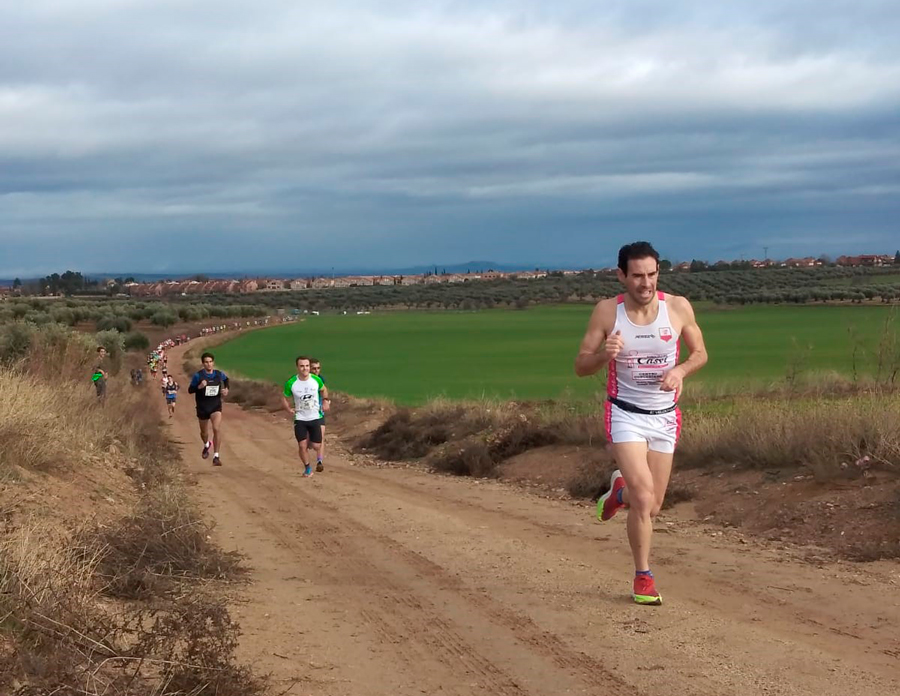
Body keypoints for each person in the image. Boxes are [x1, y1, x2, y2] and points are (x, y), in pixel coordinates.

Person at [575, 241, 708, 606]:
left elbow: (701, 353)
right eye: (637, 276)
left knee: (651, 506)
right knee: (645, 497)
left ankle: (619, 493)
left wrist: (680, 370)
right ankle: (643, 576)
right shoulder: (607, 313)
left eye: (651, 274)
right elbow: (581, 365)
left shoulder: (678, 307)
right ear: (621, 276)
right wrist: (605, 355)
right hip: (625, 414)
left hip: (665, 417)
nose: (645, 283)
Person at [282, 356, 328, 477]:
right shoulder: (291, 383)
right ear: (297, 367)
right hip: (300, 419)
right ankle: (307, 468)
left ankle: (308, 443)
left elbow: (324, 390)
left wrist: (325, 401)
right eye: (302, 366)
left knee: (317, 445)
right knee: (302, 446)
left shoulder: (316, 380)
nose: (305, 368)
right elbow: (284, 397)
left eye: (307, 366)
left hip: (314, 418)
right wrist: (288, 409)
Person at [187, 352, 229, 466]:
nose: (209, 364)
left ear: (213, 363)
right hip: (202, 407)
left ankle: (216, 456)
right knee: (204, 432)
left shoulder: (219, 374)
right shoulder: (198, 376)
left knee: (216, 428)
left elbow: (226, 380)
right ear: (203, 363)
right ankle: (206, 444)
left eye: (210, 362)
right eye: (206, 362)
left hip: (215, 405)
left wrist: (226, 389)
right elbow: (190, 390)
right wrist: (199, 387)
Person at [310, 358, 331, 472]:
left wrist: (325, 401)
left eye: (318, 368)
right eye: (313, 368)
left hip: (318, 413)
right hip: (306, 414)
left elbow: (324, 391)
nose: (316, 371)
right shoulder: (302, 380)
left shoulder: (321, 379)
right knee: (312, 443)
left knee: (321, 436)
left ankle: (319, 461)